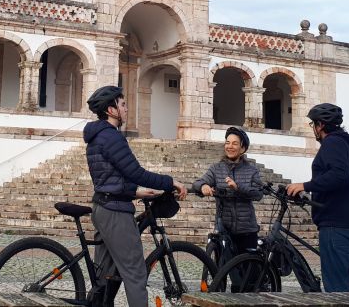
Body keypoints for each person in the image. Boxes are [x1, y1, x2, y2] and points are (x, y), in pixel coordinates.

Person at [83, 86, 188, 307]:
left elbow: (108, 176)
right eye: (123, 105)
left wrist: (135, 192)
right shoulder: (111, 137)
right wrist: (170, 182)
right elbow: (135, 172)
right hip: (115, 212)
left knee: (105, 275)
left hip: (103, 205)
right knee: (135, 273)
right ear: (111, 110)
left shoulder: (98, 135)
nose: (127, 109)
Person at [286, 103, 349, 292]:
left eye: (313, 124)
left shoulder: (332, 143)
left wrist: (304, 186)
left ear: (320, 125)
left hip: (336, 225)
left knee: (336, 288)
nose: (313, 129)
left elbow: (339, 175)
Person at [193, 126, 263, 291]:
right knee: (221, 275)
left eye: (234, 143)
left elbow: (258, 193)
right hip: (225, 229)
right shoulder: (217, 169)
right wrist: (203, 186)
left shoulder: (252, 170)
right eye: (227, 142)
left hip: (247, 230)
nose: (230, 146)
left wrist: (237, 187)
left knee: (247, 280)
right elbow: (197, 183)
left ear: (243, 148)